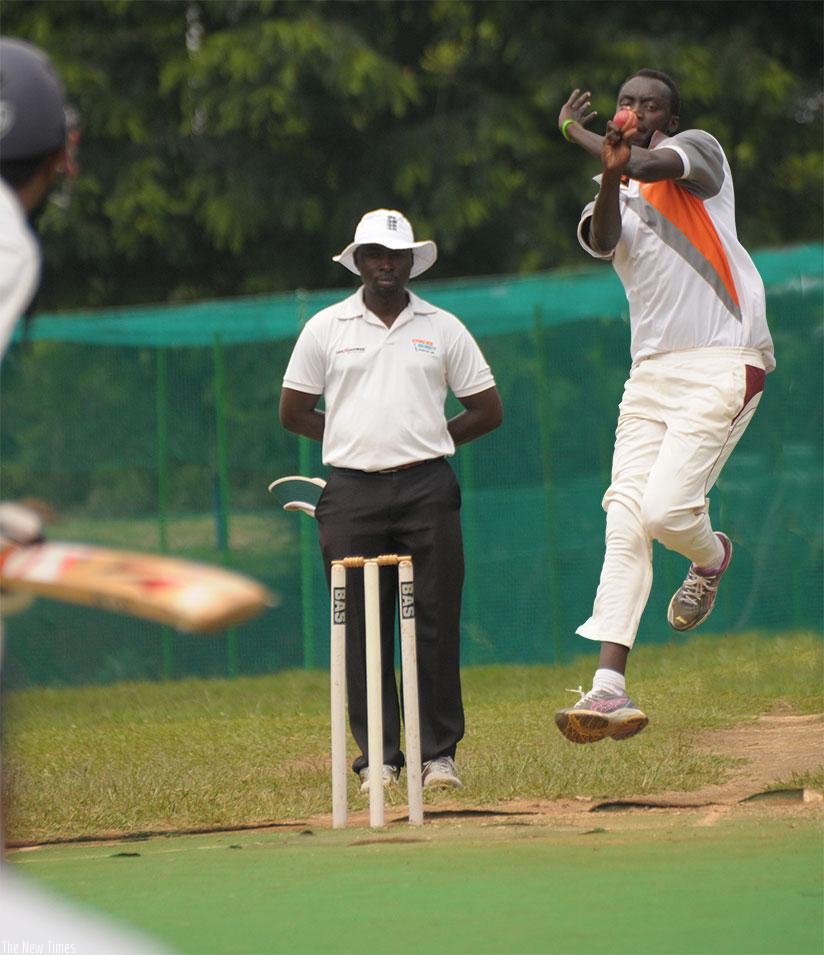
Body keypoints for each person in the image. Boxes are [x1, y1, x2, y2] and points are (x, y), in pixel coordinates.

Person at [553, 70, 775, 744]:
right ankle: (608, 687)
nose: (636, 110)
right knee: (625, 516)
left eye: (650, 104)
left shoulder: (698, 154)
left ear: (670, 117)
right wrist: (607, 170)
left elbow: (652, 162)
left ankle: (710, 557)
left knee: (666, 511)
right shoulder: (610, 192)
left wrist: (579, 134)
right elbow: (601, 238)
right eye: (625, 102)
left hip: (723, 359)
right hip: (649, 375)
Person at [279, 208, 503, 792]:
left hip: (428, 487)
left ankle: (437, 757)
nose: (385, 264)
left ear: (410, 262)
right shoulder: (326, 327)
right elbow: (293, 412)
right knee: (357, 624)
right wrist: (354, 436)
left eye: (395, 254)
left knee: (433, 619)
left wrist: (427, 439)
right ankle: (378, 759)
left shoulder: (442, 326)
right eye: (374, 254)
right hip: (351, 490)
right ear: (357, 261)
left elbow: (487, 409)